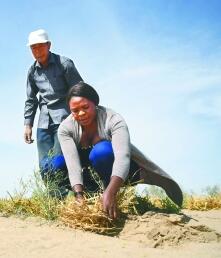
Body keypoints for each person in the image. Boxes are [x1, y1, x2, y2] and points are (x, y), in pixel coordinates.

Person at [57, 81, 183, 219]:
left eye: (85, 107)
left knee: (101, 152)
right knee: (53, 165)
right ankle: (93, 194)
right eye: (75, 111)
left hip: (123, 170)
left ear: (95, 103)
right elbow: (72, 163)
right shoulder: (65, 128)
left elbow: (123, 157)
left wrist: (110, 193)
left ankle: (108, 194)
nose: (81, 113)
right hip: (89, 172)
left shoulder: (113, 119)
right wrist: (79, 195)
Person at [23, 29, 83, 185]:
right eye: (33, 47)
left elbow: (79, 91)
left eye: (40, 46)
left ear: (48, 45)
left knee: (57, 161)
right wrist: (28, 124)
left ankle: (65, 196)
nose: (37, 51)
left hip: (65, 118)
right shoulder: (32, 72)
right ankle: (53, 202)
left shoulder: (64, 64)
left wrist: (80, 117)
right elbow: (31, 99)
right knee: (44, 166)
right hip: (43, 122)